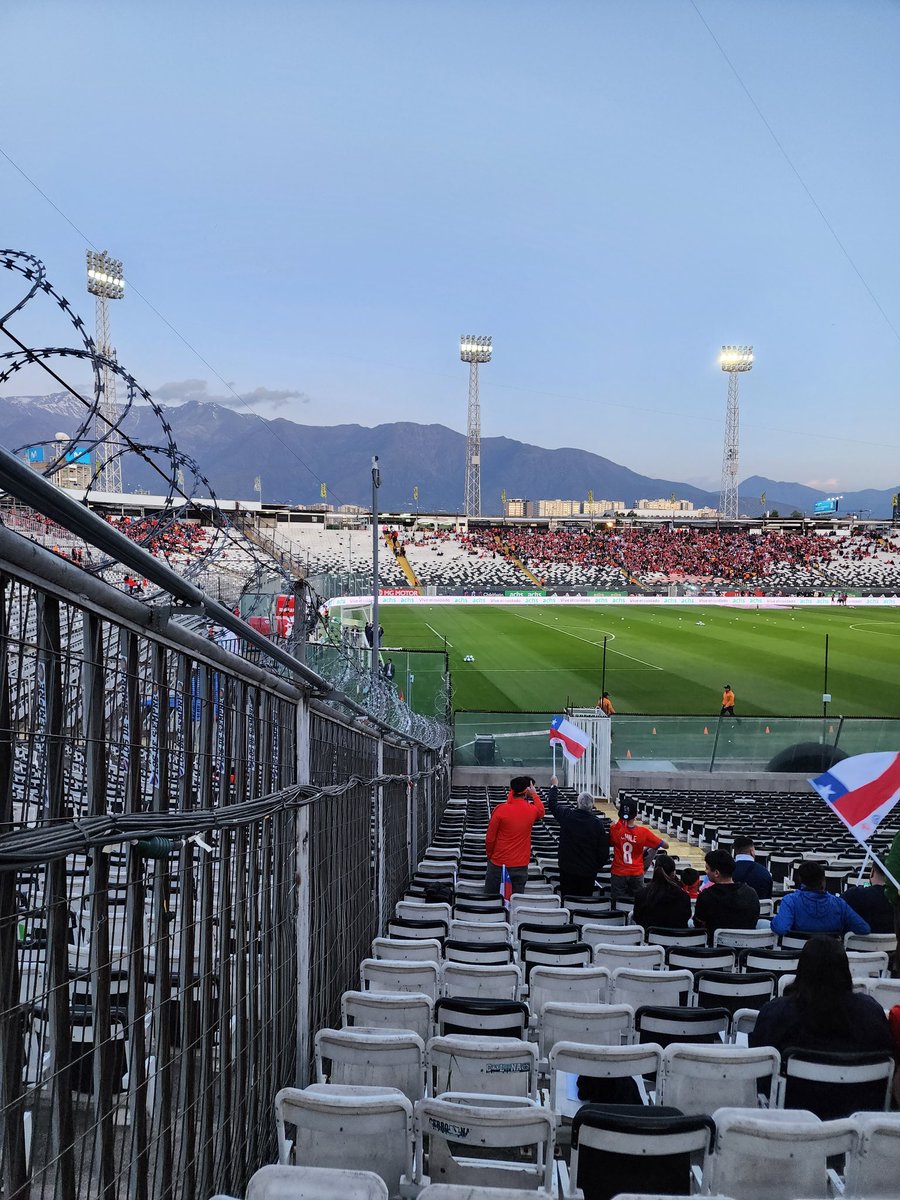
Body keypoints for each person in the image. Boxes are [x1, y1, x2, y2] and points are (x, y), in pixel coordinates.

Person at [749, 938, 893, 1119]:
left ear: (801, 969)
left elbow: (759, 1074)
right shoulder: (871, 1012)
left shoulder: (777, 1013)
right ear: (845, 970)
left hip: (792, 1122)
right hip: (858, 1121)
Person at [546, 775, 609, 899]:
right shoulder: (597, 824)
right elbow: (603, 853)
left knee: (568, 899)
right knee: (584, 902)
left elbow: (552, 804)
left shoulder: (567, 815)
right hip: (587, 872)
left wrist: (554, 786)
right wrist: (594, 867)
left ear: (578, 803)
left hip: (568, 869)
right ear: (592, 805)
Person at [771, 861, 870, 936]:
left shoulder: (790, 901)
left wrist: (774, 920)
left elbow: (781, 928)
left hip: (796, 957)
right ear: (823, 881)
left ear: (801, 880)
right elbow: (863, 928)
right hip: (831, 957)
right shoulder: (839, 904)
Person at [484, 775, 545, 897]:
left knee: (491, 901)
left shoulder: (500, 810)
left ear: (511, 791)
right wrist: (534, 794)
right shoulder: (531, 810)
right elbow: (541, 811)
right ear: (526, 791)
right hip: (520, 865)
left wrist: (491, 856)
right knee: (516, 902)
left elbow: (490, 838)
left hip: (498, 863)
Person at [608, 799, 667, 906]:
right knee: (638, 904)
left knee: (616, 904)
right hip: (636, 873)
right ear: (636, 814)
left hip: (618, 872)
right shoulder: (643, 832)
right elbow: (665, 845)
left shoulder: (614, 829)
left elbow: (616, 831)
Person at [693, 850, 760, 943]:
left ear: (716, 873)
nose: (706, 871)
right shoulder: (751, 893)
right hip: (746, 946)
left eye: (707, 868)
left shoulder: (706, 896)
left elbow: (699, 924)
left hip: (715, 949)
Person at [633, 854, 692, 930]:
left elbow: (637, 919)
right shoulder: (684, 897)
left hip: (649, 940)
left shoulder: (641, 895)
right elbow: (685, 919)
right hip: (676, 939)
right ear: (673, 873)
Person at [842, 860, 895, 934]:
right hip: (893, 945)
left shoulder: (853, 895)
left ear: (872, 871)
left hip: (856, 945)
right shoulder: (896, 899)